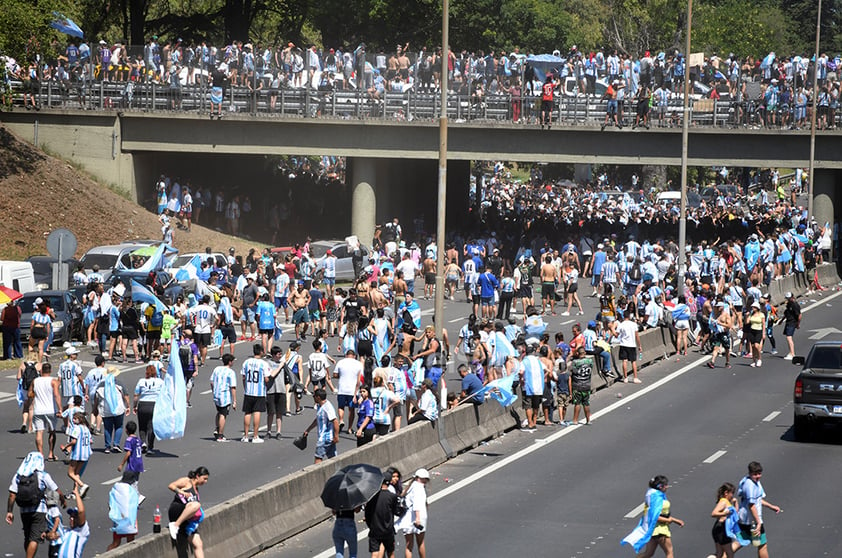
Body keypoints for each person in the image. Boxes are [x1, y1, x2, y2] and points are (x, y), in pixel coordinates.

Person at [5, 451, 64, 558]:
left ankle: (29, 555)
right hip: (39, 510)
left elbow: (12, 495)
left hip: (24, 510)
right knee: (35, 538)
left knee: (27, 537)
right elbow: (56, 490)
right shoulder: (43, 475)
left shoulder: (18, 476)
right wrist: (63, 500)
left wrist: (10, 511)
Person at [621, 475, 684, 557]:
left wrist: (675, 520)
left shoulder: (652, 495)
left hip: (652, 530)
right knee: (669, 552)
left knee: (648, 553)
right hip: (660, 529)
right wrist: (669, 520)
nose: (667, 487)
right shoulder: (657, 498)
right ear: (660, 487)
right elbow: (656, 516)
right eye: (666, 485)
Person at [734, 461, 781, 556]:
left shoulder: (753, 482)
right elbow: (751, 505)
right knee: (762, 545)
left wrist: (771, 507)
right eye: (755, 474)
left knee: (740, 542)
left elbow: (758, 500)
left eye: (759, 474)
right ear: (750, 473)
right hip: (752, 522)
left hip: (744, 521)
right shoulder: (750, 485)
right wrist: (758, 522)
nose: (758, 476)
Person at [167, 466, 210, 558]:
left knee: (198, 544)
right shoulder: (187, 481)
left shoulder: (196, 489)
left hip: (187, 519)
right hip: (177, 510)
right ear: (198, 476)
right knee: (196, 505)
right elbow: (171, 486)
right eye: (204, 479)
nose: (205, 482)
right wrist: (182, 493)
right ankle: (175, 525)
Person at [30, 362, 62, 461]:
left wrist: (37, 394)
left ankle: (40, 454)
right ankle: (51, 453)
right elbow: (56, 395)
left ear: (41, 371)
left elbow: (29, 394)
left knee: (39, 433)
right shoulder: (54, 381)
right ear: (50, 371)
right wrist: (60, 408)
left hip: (38, 410)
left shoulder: (35, 381)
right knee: (52, 432)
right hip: (50, 409)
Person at [396, 468, 430, 558]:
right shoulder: (419, 488)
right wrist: (418, 518)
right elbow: (417, 504)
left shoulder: (411, 486)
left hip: (407, 519)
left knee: (409, 546)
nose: (425, 481)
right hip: (418, 518)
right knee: (420, 543)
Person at [240, 343, 270, 443]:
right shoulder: (264, 364)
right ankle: (255, 436)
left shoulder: (246, 362)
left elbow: (243, 377)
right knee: (257, 412)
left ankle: (245, 435)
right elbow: (266, 379)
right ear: (261, 352)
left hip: (248, 391)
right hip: (259, 391)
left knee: (247, 412)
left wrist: (245, 387)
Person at [365, 474, 400, 558]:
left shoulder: (371, 497)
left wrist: (371, 526)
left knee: (375, 552)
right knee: (390, 552)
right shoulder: (392, 496)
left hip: (375, 530)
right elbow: (396, 511)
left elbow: (367, 515)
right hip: (388, 530)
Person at [60, 412, 92, 500]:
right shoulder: (86, 429)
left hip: (77, 453)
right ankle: (75, 491)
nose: (73, 420)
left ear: (79, 419)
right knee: (77, 474)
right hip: (85, 453)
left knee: (70, 473)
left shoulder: (77, 428)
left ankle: (82, 485)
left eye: (75, 418)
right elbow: (90, 441)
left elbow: (74, 441)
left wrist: (65, 447)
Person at [302, 388, 339, 464]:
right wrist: (308, 430)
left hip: (325, 438)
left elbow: (335, 421)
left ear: (318, 397)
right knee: (333, 458)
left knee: (318, 458)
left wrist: (336, 436)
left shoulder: (327, 407)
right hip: (328, 439)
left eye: (314, 396)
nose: (313, 398)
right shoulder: (320, 406)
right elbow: (318, 420)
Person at [133, 364, 164, 452]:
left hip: (142, 404)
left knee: (142, 425)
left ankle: (143, 442)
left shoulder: (141, 381)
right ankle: (150, 446)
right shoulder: (160, 381)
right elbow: (164, 394)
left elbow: (136, 395)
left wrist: (134, 406)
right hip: (154, 405)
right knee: (151, 426)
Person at [106, 475, 139, 550]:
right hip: (130, 522)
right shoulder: (132, 491)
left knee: (115, 543)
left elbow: (111, 505)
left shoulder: (116, 489)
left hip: (118, 521)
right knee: (131, 543)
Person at [117, 420, 146, 506]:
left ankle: (138, 496)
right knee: (135, 481)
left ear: (126, 430)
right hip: (139, 462)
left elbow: (128, 453)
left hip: (132, 463)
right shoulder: (137, 439)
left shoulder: (129, 440)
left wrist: (121, 464)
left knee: (127, 481)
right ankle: (133, 498)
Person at [210, 353, 237, 441]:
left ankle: (217, 429)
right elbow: (233, 387)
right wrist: (234, 401)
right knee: (223, 414)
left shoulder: (217, 369)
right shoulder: (231, 372)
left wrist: (214, 390)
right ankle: (220, 435)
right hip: (224, 395)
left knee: (219, 412)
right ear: (230, 362)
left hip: (216, 394)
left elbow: (212, 381)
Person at [57, 485, 89, 558]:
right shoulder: (66, 532)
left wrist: (77, 494)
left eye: (74, 517)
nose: (71, 519)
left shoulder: (82, 531)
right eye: (71, 516)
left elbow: (81, 511)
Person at [710, 482, 738, 558]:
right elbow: (713, 513)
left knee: (719, 553)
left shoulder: (727, 502)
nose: (732, 495)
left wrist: (735, 503)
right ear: (726, 493)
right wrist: (724, 514)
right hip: (721, 530)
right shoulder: (723, 502)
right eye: (732, 493)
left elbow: (735, 513)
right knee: (730, 554)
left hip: (720, 529)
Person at [568, 347, 594, 425]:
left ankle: (575, 420)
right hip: (587, 385)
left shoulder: (575, 362)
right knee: (586, 403)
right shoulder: (590, 361)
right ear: (584, 353)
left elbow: (572, 371)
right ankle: (588, 420)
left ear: (577, 353)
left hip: (577, 385)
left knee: (577, 403)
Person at [616, 309, 642, 383]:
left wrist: (612, 330)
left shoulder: (621, 325)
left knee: (624, 361)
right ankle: (635, 378)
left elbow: (616, 335)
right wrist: (639, 345)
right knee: (633, 361)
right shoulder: (633, 324)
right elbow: (637, 336)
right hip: (632, 345)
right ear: (629, 316)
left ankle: (625, 377)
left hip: (623, 344)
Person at [781, 291, 800, 360]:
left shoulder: (795, 305)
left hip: (792, 322)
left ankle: (792, 353)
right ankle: (790, 352)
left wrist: (798, 324)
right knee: (788, 337)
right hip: (788, 322)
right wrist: (781, 320)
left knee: (789, 338)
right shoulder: (788, 304)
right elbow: (787, 313)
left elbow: (799, 315)